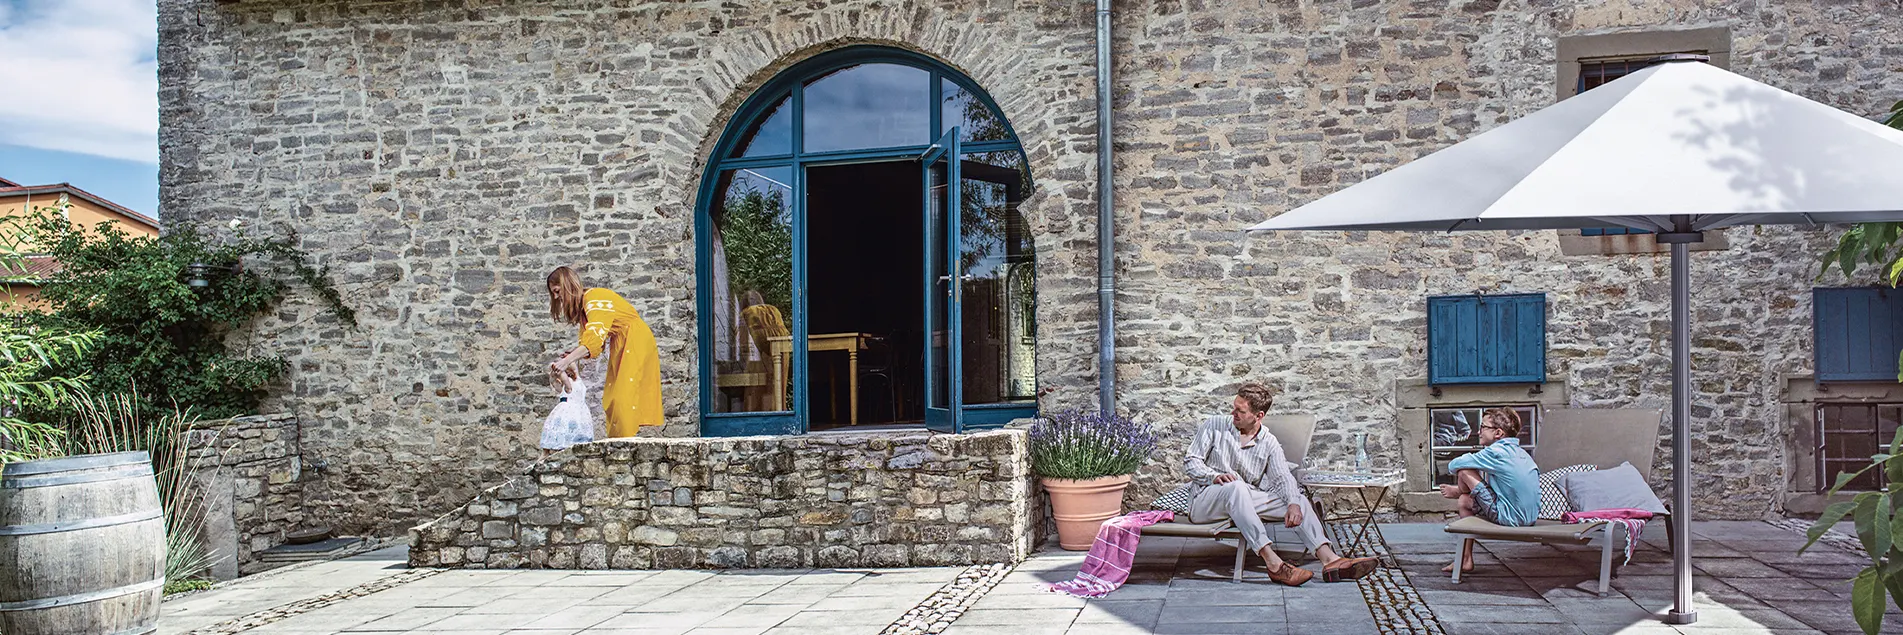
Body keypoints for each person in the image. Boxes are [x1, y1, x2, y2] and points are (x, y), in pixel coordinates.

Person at [1180, 382, 1379, 586]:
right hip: (1205, 501)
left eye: (1240, 410)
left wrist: (1292, 503)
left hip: (1243, 498)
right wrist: (1212, 476)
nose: (1233, 413)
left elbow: (1283, 477)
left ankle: (1331, 561)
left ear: (1259, 416)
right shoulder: (1214, 425)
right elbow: (1192, 461)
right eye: (1234, 407)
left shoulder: (1269, 442)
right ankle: (1273, 563)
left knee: (1298, 500)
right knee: (1236, 487)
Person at [545, 266, 662, 437]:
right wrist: (573, 355)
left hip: (635, 339)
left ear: (567, 285)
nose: (556, 297)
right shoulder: (585, 308)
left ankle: (625, 443)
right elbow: (591, 345)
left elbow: (593, 339)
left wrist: (566, 361)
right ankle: (619, 441)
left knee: (623, 396)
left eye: (557, 291)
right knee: (612, 398)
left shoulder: (594, 298)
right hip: (622, 342)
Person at [1440, 406, 1541, 573]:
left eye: (1483, 427)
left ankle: (1459, 491)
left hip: (1510, 517)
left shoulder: (1496, 452)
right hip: (1530, 517)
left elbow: (1455, 464)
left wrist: (1461, 485)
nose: (1479, 431)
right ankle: (1465, 560)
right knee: (1465, 500)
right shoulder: (1520, 452)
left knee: (1465, 472)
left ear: (1498, 433)